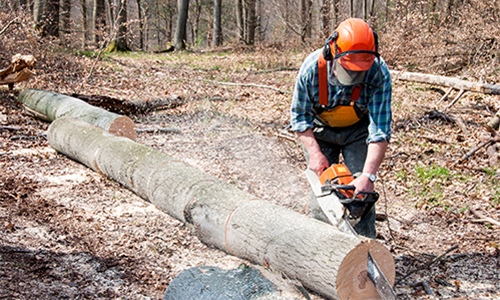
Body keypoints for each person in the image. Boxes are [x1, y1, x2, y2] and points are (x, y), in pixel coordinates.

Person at [290, 18, 392, 239]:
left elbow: (380, 129)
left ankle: (365, 245)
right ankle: (320, 248)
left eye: (360, 71)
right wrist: (315, 154)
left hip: (358, 132)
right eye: (349, 70)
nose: (355, 77)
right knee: (323, 194)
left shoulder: (378, 73)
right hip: (320, 131)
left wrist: (369, 176)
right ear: (332, 53)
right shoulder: (311, 70)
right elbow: (299, 117)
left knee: (361, 193)